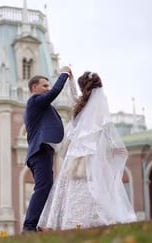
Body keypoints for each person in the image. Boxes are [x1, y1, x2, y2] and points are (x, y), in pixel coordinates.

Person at [38, 71, 137, 230]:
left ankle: (72, 222)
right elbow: (106, 131)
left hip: (77, 156)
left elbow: (75, 100)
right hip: (88, 156)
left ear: (83, 88)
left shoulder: (82, 108)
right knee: (91, 188)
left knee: (76, 189)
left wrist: (70, 82)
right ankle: (84, 221)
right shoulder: (96, 108)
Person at [23, 66, 72, 233]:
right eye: (45, 85)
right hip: (39, 152)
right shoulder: (35, 102)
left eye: (48, 85)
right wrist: (64, 74)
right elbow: (55, 92)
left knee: (45, 187)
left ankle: (36, 225)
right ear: (34, 88)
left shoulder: (41, 106)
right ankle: (29, 227)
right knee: (43, 188)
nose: (48, 88)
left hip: (43, 152)